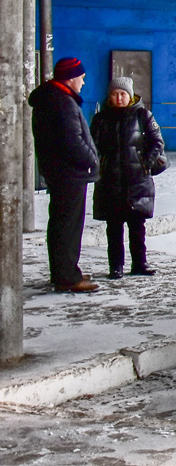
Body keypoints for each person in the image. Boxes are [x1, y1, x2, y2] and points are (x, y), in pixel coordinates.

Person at [28, 57, 100, 293]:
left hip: (59, 171)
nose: (83, 83)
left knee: (60, 223)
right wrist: (93, 159)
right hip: (69, 173)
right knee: (68, 225)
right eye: (81, 78)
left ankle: (63, 271)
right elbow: (73, 142)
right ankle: (68, 276)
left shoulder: (50, 99)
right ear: (70, 78)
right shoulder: (62, 102)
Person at [90, 76, 166, 279]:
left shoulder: (143, 115)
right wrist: (101, 165)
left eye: (123, 94)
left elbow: (157, 142)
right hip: (110, 182)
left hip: (137, 181)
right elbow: (93, 147)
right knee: (113, 228)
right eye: (115, 94)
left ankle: (140, 264)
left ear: (130, 95)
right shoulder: (101, 119)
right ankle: (116, 266)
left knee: (137, 227)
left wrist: (145, 164)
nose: (119, 97)